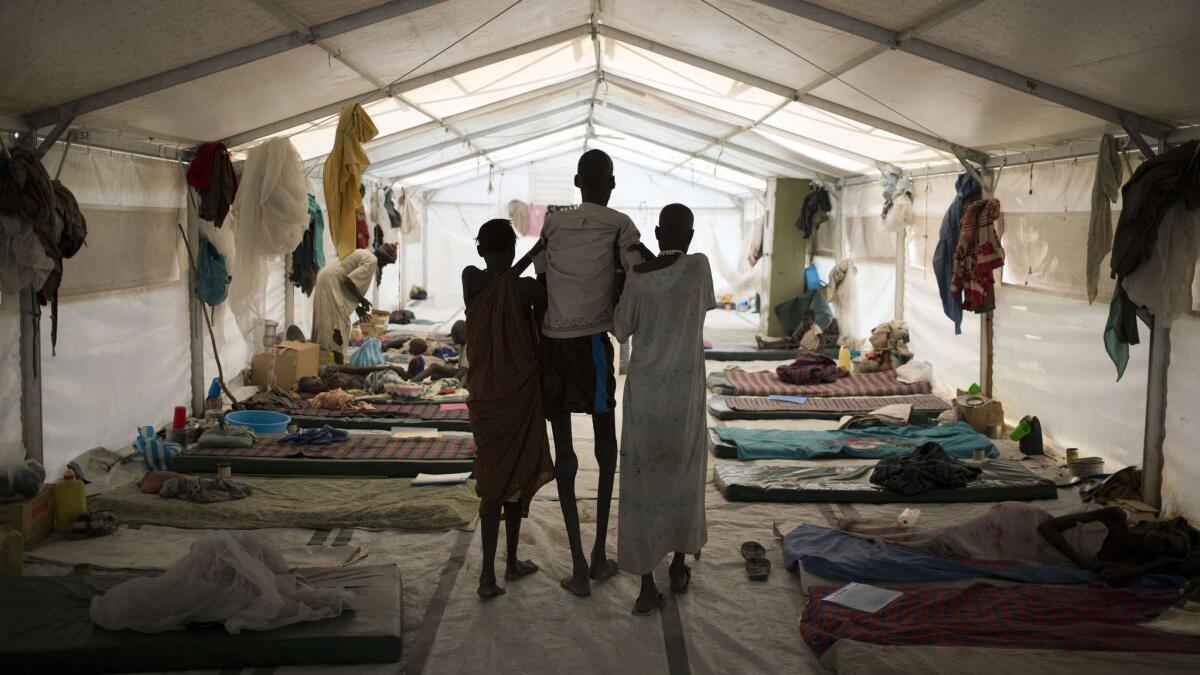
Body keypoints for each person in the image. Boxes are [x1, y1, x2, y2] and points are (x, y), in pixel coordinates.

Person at [533, 149, 651, 597]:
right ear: (612, 183)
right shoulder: (621, 224)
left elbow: (541, 279)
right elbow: (639, 269)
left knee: (565, 452)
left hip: (553, 346)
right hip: (592, 347)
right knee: (606, 448)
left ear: (578, 182)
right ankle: (599, 554)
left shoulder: (554, 224)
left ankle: (580, 566)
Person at [614, 204, 715, 615]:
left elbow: (620, 329)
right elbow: (697, 298)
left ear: (656, 234)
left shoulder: (637, 282)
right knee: (683, 479)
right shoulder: (699, 268)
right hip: (685, 398)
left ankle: (645, 586)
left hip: (646, 397)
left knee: (641, 487)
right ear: (690, 237)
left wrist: (629, 271)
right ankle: (677, 565)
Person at [463, 219, 555, 598]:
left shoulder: (472, 279)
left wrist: (528, 255)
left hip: (486, 397)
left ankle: (492, 572)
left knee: (494, 482)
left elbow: (497, 283)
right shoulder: (526, 289)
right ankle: (507, 563)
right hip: (519, 397)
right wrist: (538, 255)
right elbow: (541, 309)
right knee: (514, 477)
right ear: (514, 250)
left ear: (481, 250)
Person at [839, 502, 1194, 586]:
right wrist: (1081, 561)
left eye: (1159, 545)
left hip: (1034, 553)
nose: (1154, 537)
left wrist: (1156, 566)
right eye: (1160, 533)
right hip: (1022, 525)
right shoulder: (1116, 518)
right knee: (944, 540)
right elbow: (1052, 527)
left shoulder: (1132, 560)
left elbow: (1114, 581)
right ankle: (863, 528)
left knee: (945, 543)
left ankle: (869, 528)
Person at [311, 243, 397, 364]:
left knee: (330, 324)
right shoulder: (372, 261)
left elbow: (348, 282)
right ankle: (337, 365)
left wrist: (358, 307)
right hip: (331, 283)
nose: (385, 265)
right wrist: (362, 300)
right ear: (383, 258)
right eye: (387, 262)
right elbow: (348, 281)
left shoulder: (366, 253)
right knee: (339, 325)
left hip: (327, 279)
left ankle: (324, 361)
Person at [755, 309, 821, 351]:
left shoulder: (815, 328)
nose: (804, 322)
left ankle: (765, 346)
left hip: (801, 346)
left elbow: (822, 338)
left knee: (786, 344)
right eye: (803, 320)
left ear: (813, 321)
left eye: (807, 320)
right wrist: (799, 330)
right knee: (786, 340)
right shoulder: (804, 328)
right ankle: (765, 343)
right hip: (799, 344)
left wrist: (822, 349)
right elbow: (794, 336)